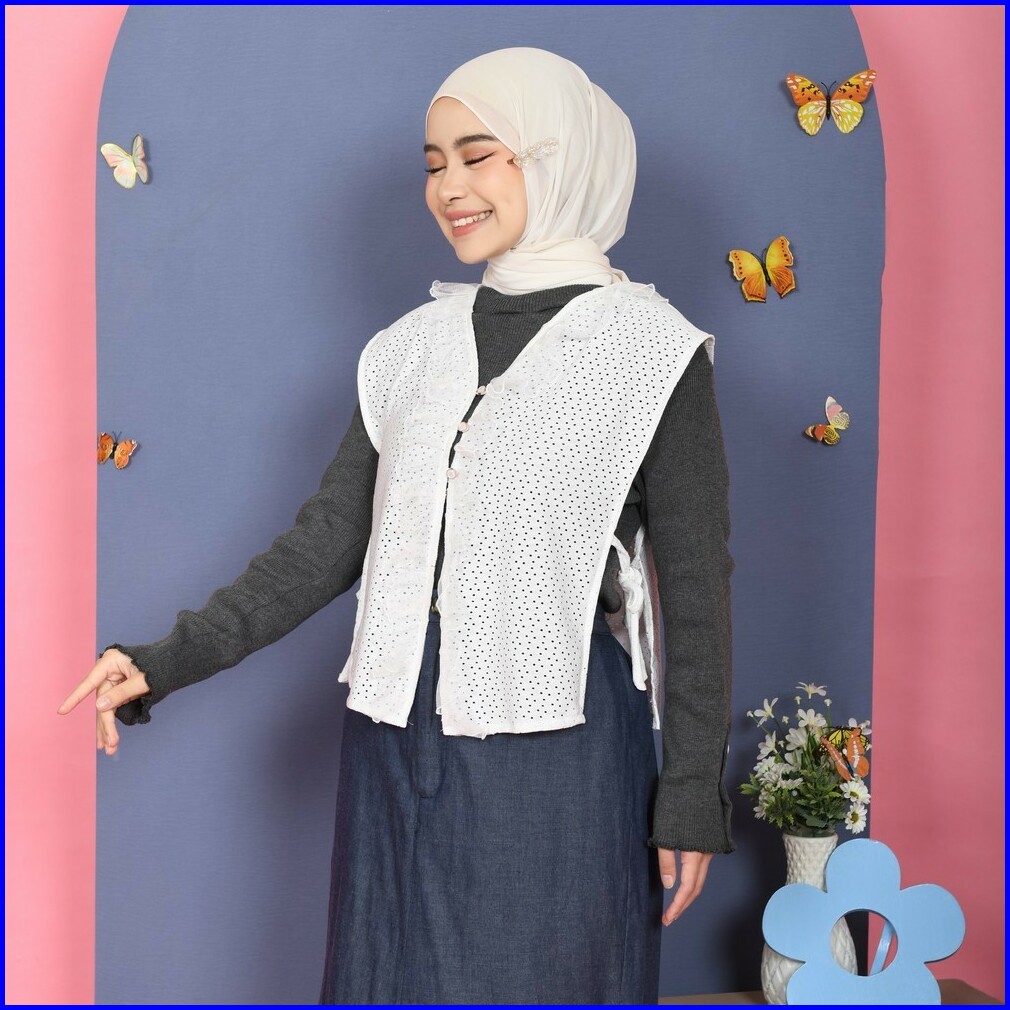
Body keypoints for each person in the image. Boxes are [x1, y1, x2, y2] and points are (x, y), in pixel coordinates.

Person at [59, 47, 735, 1004]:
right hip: (395, 733)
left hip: (558, 745)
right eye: (432, 164)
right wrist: (162, 660)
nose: (448, 188)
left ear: (558, 156)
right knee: (388, 978)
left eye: (477, 155)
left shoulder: (652, 351)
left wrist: (691, 794)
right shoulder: (410, 350)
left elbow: (697, 587)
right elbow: (324, 544)